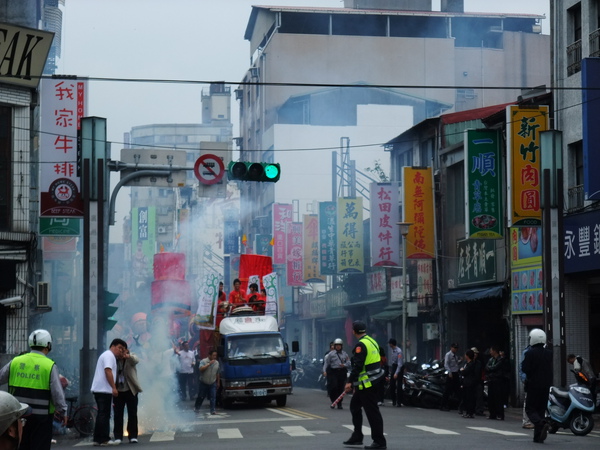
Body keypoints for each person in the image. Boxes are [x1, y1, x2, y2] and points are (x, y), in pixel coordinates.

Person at [0, 329, 67, 450]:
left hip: (18, 417)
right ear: (48, 345)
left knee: (21, 446)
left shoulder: (15, 361)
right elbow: (57, 393)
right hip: (41, 419)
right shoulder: (49, 365)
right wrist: (62, 411)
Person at [343, 320, 386, 450]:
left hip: (367, 385)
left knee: (372, 413)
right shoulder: (372, 341)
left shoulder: (361, 345)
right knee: (354, 407)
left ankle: (379, 442)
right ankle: (357, 436)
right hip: (374, 381)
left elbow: (357, 366)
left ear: (353, 331)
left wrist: (349, 382)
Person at [91, 338, 127, 446]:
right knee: (104, 414)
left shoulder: (108, 355)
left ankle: (97, 439)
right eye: (120, 348)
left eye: (123, 349)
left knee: (102, 414)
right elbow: (108, 370)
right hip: (103, 390)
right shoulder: (109, 355)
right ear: (113, 346)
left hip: (101, 389)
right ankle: (104, 439)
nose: (120, 351)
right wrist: (114, 387)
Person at [521, 328, 553, 444]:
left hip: (533, 384)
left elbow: (525, 368)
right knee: (540, 410)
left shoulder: (530, 353)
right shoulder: (549, 353)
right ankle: (538, 437)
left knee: (530, 409)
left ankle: (541, 423)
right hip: (546, 385)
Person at [113, 348, 142, 444]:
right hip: (118, 391)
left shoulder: (131, 358)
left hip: (131, 390)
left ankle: (133, 436)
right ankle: (118, 436)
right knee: (118, 414)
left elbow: (136, 360)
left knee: (132, 414)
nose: (121, 353)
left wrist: (128, 356)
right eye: (120, 350)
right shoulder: (114, 359)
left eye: (123, 351)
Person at [322, 338, 350, 409]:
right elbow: (326, 363)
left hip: (341, 372)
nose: (338, 347)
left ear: (341, 346)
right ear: (334, 346)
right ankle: (333, 400)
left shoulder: (345, 354)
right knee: (333, 387)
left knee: (340, 388)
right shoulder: (330, 354)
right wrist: (324, 371)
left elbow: (349, 363)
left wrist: (344, 365)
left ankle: (339, 403)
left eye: (339, 345)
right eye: (336, 345)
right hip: (333, 372)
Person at [485, 345, 508, 420]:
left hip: (498, 381)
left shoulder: (501, 360)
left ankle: (500, 414)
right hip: (491, 380)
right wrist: (490, 370)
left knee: (498, 398)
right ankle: (492, 414)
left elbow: (495, 368)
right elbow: (487, 367)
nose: (490, 352)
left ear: (495, 351)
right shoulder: (491, 359)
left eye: (491, 350)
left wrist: (490, 369)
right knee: (490, 398)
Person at [195, 349, 220, 415]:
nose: (215, 357)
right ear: (209, 355)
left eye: (216, 355)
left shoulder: (217, 363)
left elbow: (217, 373)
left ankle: (212, 410)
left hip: (212, 382)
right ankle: (197, 408)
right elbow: (201, 369)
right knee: (201, 396)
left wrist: (218, 382)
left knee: (213, 397)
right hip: (204, 382)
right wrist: (209, 364)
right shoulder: (203, 361)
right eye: (213, 355)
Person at [440, 343, 461, 411]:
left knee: (457, 390)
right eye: (454, 348)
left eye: (456, 348)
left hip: (456, 373)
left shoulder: (455, 356)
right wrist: (449, 372)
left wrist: (460, 361)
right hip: (451, 374)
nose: (455, 349)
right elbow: (446, 364)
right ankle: (443, 405)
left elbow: (455, 364)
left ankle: (457, 405)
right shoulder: (448, 355)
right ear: (451, 347)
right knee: (447, 390)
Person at [459, 349, 478, 418]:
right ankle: (467, 412)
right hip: (465, 382)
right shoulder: (466, 363)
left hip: (470, 383)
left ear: (468, 356)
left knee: (470, 398)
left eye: (465, 355)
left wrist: (462, 370)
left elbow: (465, 372)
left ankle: (470, 413)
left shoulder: (472, 364)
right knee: (466, 398)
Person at [519, 345, 534, 429]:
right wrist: (524, 379)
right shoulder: (526, 352)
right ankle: (526, 421)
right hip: (530, 380)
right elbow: (522, 367)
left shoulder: (543, 350)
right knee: (528, 400)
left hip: (537, 380)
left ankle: (532, 420)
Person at [388, 338, 403, 407]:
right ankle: (393, 400)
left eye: (389, 343)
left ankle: (399, 402)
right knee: (392, 385)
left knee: (399, 386)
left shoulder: (399, 351)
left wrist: (396, 373)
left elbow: (399, 364)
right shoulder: (392, 350)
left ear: (391, 344)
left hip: (399, 368)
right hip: (394, 366)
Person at [471, 347, 486, 416]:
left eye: (476, 353)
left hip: (478, 381)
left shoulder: (479, 362)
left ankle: (479, 410)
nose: (475, 355)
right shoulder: (469, 362)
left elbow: (482, 371)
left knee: (479, 396)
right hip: (471, 382)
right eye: (474, 353)